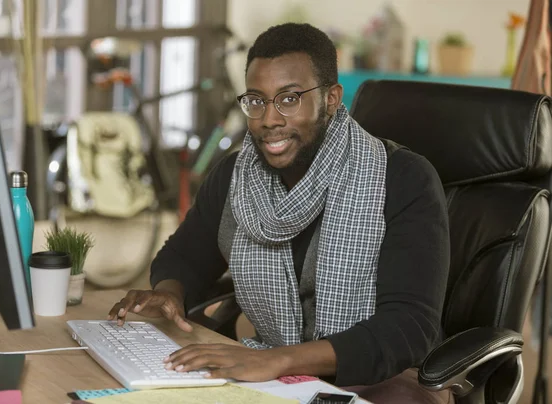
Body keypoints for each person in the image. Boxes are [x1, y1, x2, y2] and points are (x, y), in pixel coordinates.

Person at [108, 23, 451, 403]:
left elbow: (407, 330)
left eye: (289, 99)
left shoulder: (402, 178)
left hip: (383, 381)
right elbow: (184, 256)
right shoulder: (235, 177)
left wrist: (278, 360)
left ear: (332, 99)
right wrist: (169, 294)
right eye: (256, 100)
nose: (269, 119)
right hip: (278, 378)